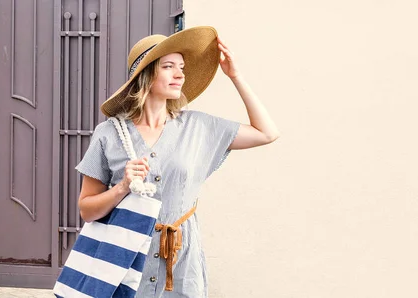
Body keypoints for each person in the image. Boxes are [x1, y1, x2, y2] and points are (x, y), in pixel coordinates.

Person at [75, 26, 279, 297]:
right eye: (168, 66)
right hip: (125, 262)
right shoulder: (110, 134)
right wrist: (122, 186)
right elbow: (87, 210)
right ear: (146, 75)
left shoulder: (199, 127)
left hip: (181, 264)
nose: (180, 74)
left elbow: (267, 132)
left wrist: (236, 76)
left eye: (181, 66)